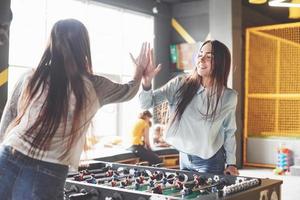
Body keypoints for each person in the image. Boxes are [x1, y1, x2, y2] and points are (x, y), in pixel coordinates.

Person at [0, 19, 151, 199]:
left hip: (8, 154)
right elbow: (129, 91)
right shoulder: (95, 86)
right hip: (49, 168)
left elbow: (8, 118)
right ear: (83, 47)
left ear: (51, 44)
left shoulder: (32, 76)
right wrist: (139, 70)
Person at [139, 40, 239, 175]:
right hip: (184, 158)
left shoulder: (229, 97)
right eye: (200, 54)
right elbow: (146, 103)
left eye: (209, 57)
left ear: (221, 62)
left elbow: (229, 131)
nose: (201, 59)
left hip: (210, 161)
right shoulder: (179, 84)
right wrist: (146, 83)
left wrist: (231, 163)